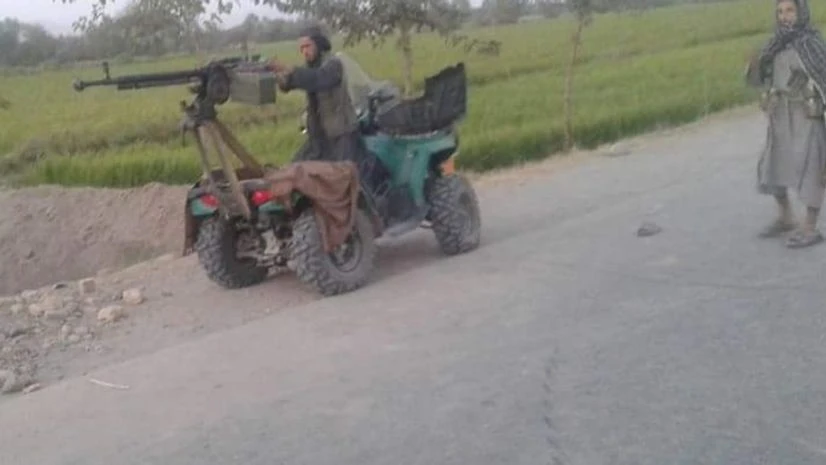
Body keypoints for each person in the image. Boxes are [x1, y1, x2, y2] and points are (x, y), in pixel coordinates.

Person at [269, 26, 390, 200]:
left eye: (308, 46)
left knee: (345, 180)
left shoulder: (333, 64)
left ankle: (364, 217)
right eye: (301, 48)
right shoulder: (311, 66)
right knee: (296, 171)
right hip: (319, 136)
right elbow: (293, 83)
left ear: (318, 44)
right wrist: (279, 76)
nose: (305, 52)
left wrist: (290, 70)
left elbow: (319, 79)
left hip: (342, 134)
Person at [746, 0, 826, 248]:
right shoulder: (774, 44)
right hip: (780, 113)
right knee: (772, 163)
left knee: (810, 167)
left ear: (801, 12)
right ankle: (786, 216)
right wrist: (755, 65)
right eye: (780, 11)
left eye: (790, 10)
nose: (784, 16)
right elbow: (758, 80)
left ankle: (810, 227)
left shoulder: (811, 44)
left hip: (806, 113)